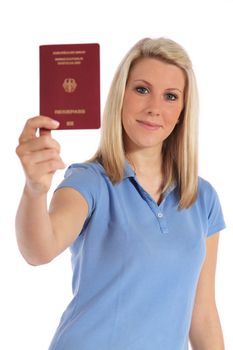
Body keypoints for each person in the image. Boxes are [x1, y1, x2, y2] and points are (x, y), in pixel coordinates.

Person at [15, 37, 226, 350]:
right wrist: (35, 190)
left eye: (170, 96)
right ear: (120, 96)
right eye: (141, 89)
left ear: (182, 111)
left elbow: (203, 312)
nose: (155, 108)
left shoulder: (201, 198)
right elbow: (39, 250)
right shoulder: (90, 181)